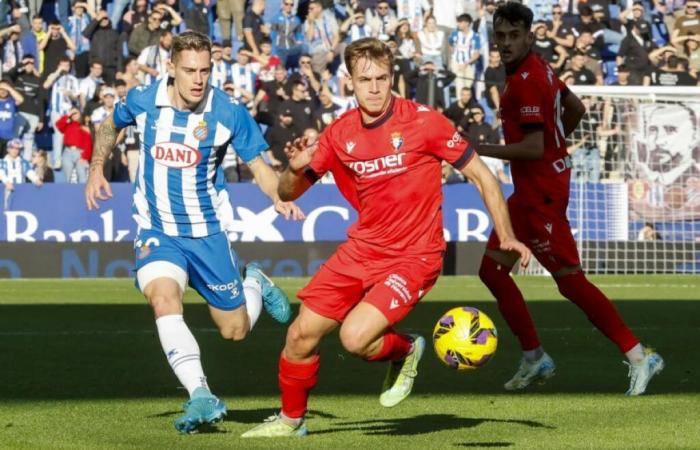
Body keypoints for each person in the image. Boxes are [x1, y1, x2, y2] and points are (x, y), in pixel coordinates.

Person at [241, 37, 530, 438]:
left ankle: (406, 348)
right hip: (363, 248)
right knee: (299, 335)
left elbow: (482, 175)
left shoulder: (425, 122)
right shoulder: (340, 134)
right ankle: (291, 421)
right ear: (350, 82)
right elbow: (289, 192)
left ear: (392, 77)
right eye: (365, 80)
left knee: (355, 338)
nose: (374, 88)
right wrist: (294, 166)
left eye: (381, 78)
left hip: (415, 255)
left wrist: (508, 235)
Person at [84, 31, 304, 434]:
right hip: (157, 229)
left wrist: (281, 195)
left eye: (205, 70)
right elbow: (108, 126)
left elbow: (259, 167)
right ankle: (200, 394)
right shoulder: (144, 98)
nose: (198, 79)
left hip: (207, 233)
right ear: (171, 68)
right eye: (189, 70)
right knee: (163, 299)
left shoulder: (227, 112)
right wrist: (97, 166)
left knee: (235, 330)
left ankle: (251, 278)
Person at [475, 2, 663, 397]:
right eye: (501, 36)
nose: (506, 43)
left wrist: (480, 150)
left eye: (514, 36)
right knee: (492, 272)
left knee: (570, 282)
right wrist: (557, 147)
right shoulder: (539, 67)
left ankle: (639, 355)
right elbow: (574, 108)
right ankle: (533, 356)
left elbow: (531, 147)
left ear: (530, 36)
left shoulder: (526, 80)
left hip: (541, 194)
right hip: (533, 190)